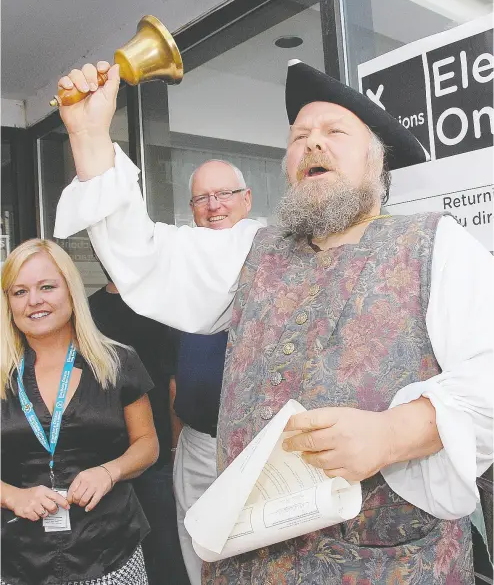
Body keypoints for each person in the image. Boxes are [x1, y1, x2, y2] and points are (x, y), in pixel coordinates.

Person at [53, 60, 493, 584]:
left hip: (391, 563)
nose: (312, 143)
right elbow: (147, 257)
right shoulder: (252, 249)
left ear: (378, 161)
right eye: (299, 136)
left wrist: (392, 433)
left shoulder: (436, 245)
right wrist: (90, 136)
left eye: (334, 132)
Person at [1, 239, 159, 585]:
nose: (34, 301)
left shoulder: (118, 362)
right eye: (19, 292)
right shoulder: (2, 375)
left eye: (47, 287)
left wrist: (110, 471)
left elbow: (147, 444)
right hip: (19, 561)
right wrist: (11, 495)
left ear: (71, 291)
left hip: (110, 554)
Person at [170, 159, 252, 585]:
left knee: (261, 550)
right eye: (202, 198)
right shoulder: (183, 266)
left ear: (247, 200)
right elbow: (173, 370)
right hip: (199, 443)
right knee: (198, 547)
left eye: (223, 195)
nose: (213, 205)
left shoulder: (273, 258)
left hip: (259, 445)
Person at [88, 261, 189, 585]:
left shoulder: (91, 310)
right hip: (128, 453)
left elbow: (174, 385)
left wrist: (174, 446)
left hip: (139, 450)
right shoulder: (159, 306)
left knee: (151, 545)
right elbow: (172, 383)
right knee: (162, 545)